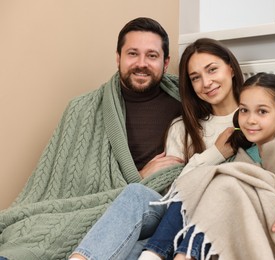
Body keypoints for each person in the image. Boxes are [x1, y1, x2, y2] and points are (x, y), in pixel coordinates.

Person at [137, 40, 275, 260]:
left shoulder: (264, 119)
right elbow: (180, 189)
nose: (206, 82)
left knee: (222, 186)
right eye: (195, 77)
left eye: (212, 69)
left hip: (253, 217)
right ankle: (154, 255)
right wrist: (216, 153)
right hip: (195, 219)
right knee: (213, 186)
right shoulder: (183, 128)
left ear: (230, 68)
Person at [0, 17, 184, 260]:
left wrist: (147, 183)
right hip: (111, 207)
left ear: (166, 61)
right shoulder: (82, 108)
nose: (141, 64)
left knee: (135, 198)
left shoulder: (188, 103)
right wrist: (140, 176)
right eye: (132, 54)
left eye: (151, 55)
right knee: (30, 239)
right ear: (118, 57)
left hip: (156, 206)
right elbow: (59, 187)